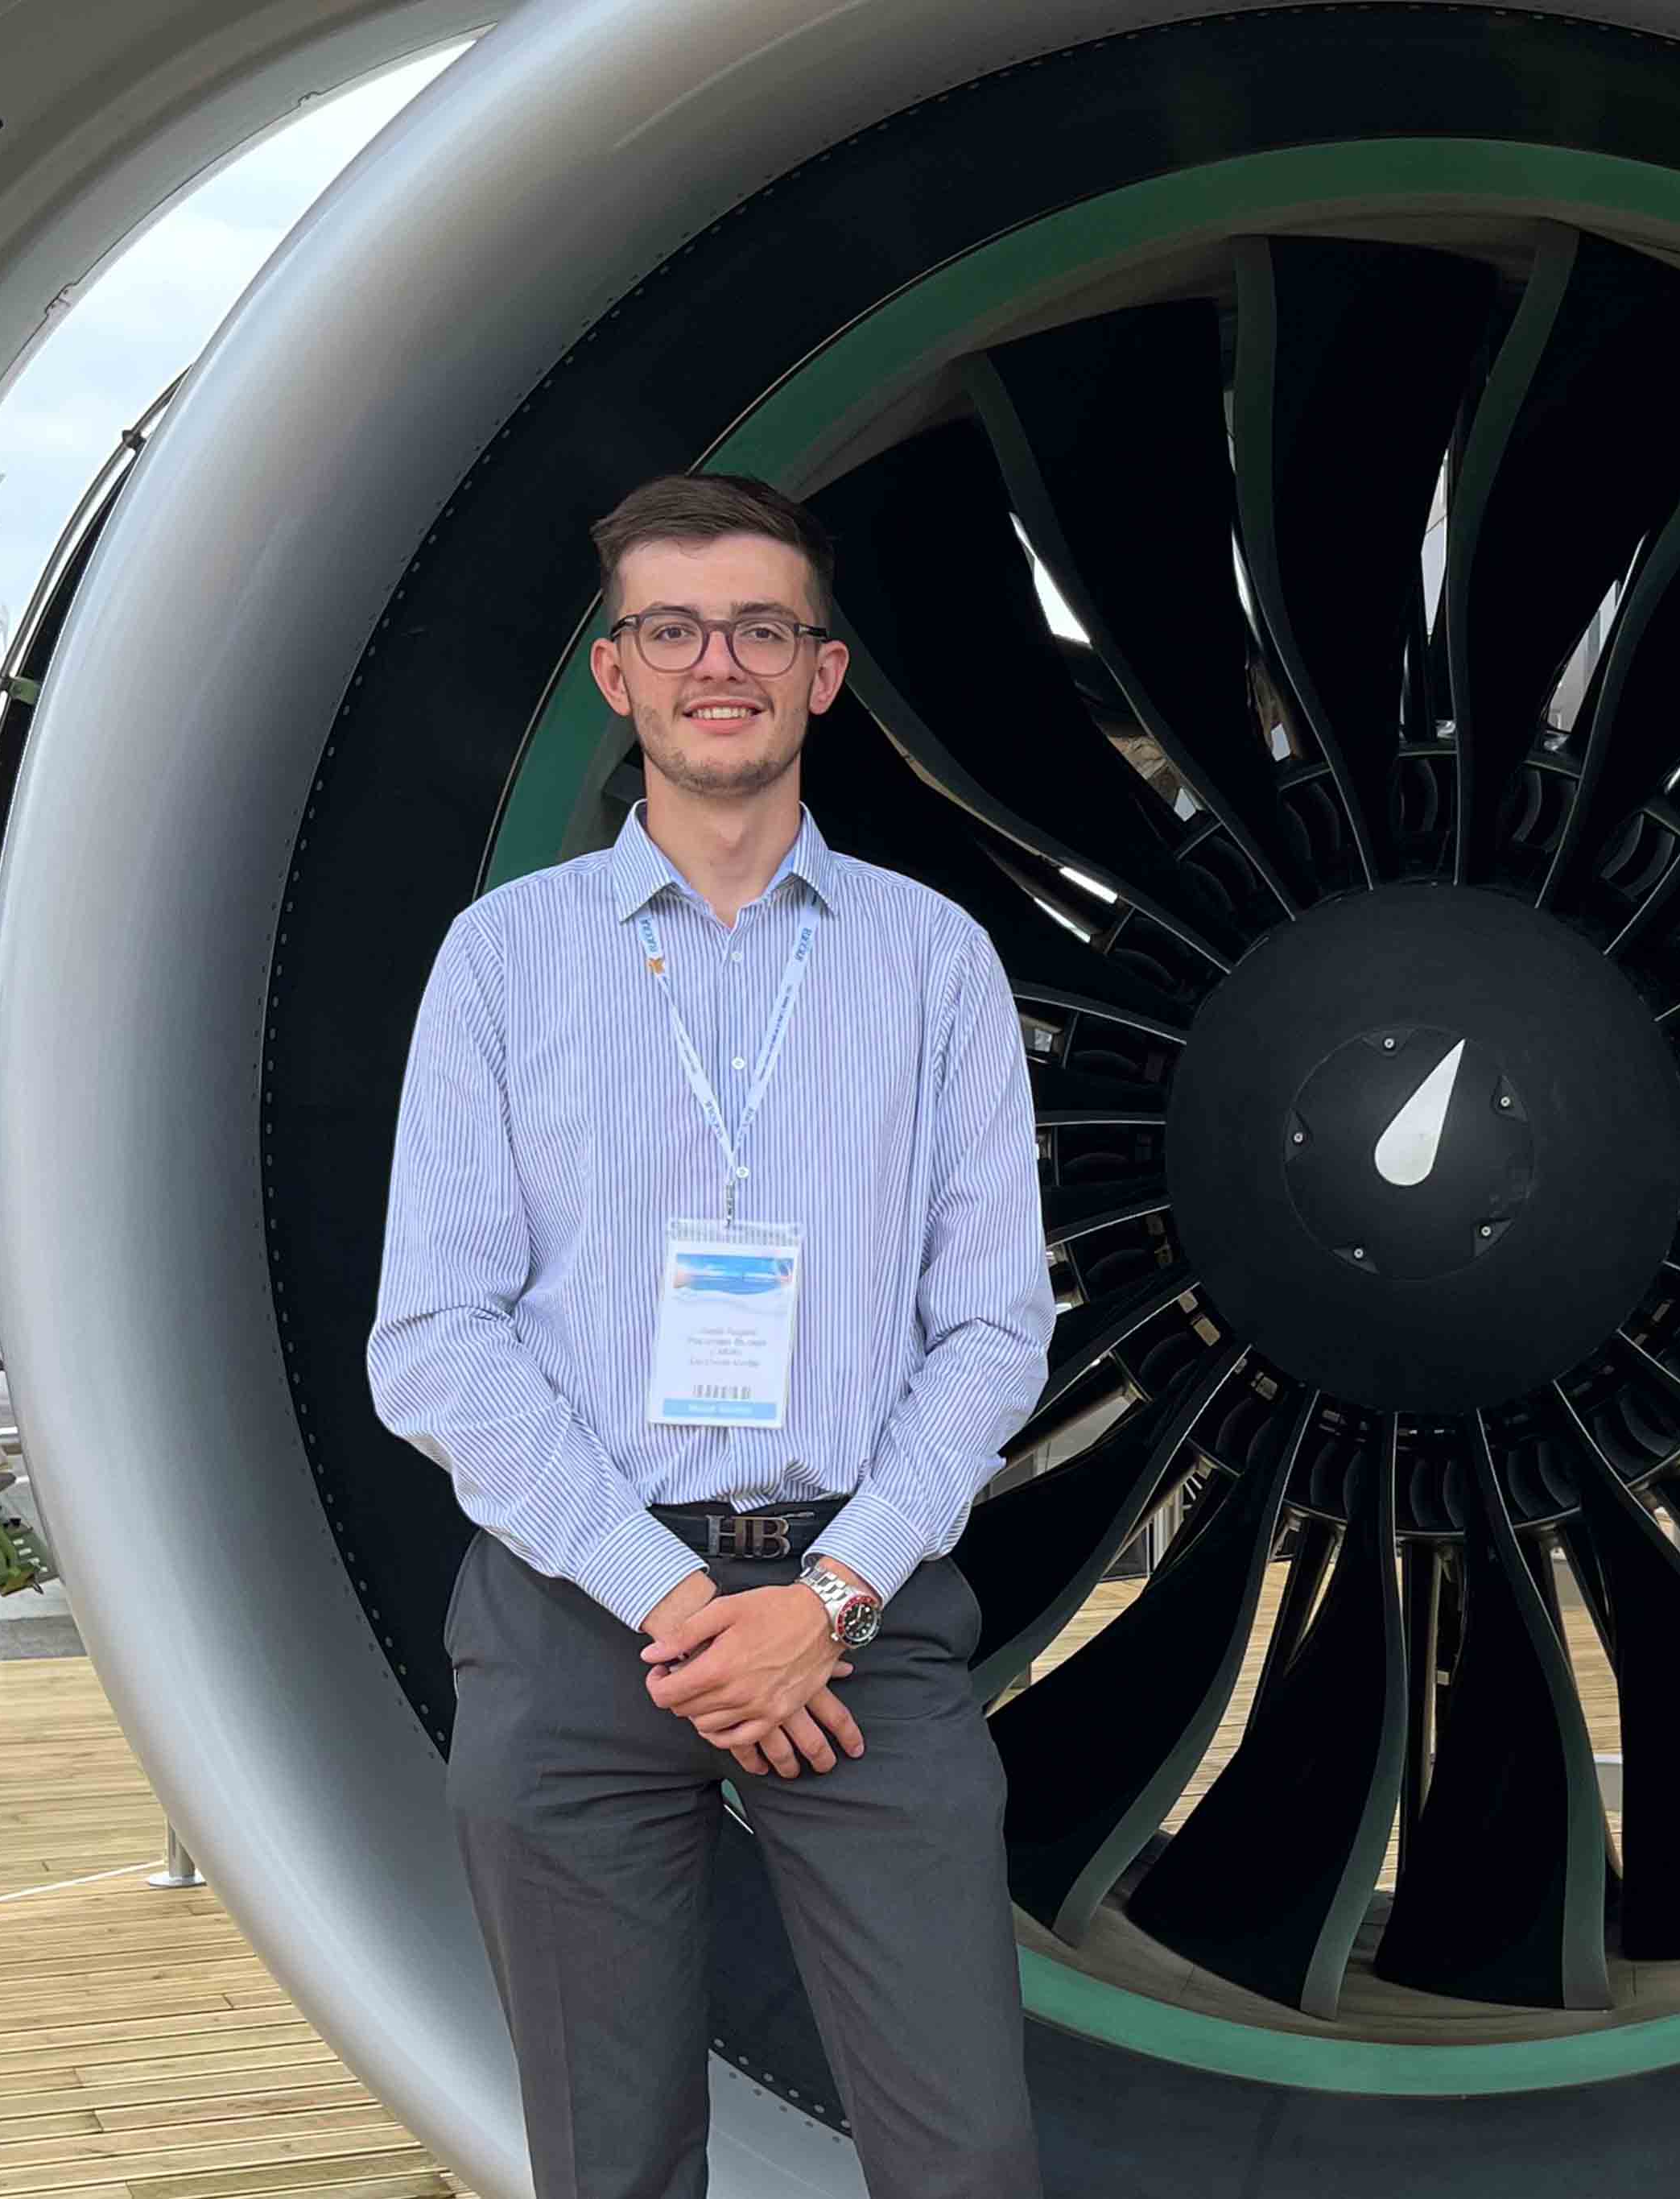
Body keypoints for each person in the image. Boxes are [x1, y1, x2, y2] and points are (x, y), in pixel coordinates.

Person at [367, 473, 1054, 2199]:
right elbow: (435, 1336)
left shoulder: (932, 962)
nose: (716, 664)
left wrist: (819, 1605)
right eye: (671, 630)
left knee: (962, 2152)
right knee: (606, 2167)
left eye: (760, 627)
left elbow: (991, 1327)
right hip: (577, 1625)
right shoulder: (503, 965)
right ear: (618, 675)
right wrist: (682, 1613)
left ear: (822, 672)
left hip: (858, 1624)